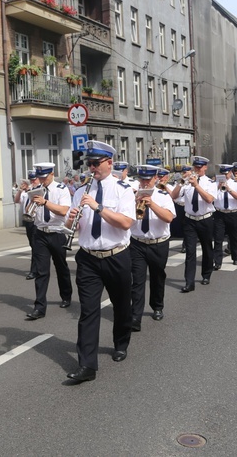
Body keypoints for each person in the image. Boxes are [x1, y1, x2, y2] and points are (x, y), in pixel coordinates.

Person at [64, 140, 135, 382]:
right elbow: (70, 224)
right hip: (88, 258)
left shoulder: (123, 189)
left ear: (109, 163)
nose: (91, 168)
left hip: (117, 256)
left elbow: (126, 223)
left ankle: (121, 342)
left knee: (121, 305)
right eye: (89, 164)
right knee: (88, 311)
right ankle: (87, 366)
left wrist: (98, 207)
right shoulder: (82, 191)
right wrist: (71, 218)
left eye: (96, 164)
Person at [25, 162, 73, 320]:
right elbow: (29, 211)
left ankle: (66, 295)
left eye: (44, 177)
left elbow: (64, 210)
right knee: (41, 271)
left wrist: (45, 202)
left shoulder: (61, 189)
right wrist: (31, 205)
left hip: (57, 232)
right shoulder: (36, 190)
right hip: (40, 233)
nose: (41, 180)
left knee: (61, 267)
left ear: (52, 174)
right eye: (39, 177)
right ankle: (39, 307)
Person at [129, 164, 175, 330]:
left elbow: (169, 218)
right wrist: (133, 203)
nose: (145, 183)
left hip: (158, 243)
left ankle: (157, 306)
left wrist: (152, 204)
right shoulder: (131, 195)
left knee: (157, 277)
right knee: (137, 281)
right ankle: (135, 317)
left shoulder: (163, 195)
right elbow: (126, 219)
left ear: (155, 178)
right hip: (137, 243)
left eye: (148, 179)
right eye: (142, 179)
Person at [172, 157, 217, 293]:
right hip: (189, 220)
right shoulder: (186, 182)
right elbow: (174, 196)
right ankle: (189, 282)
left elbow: (209, 199)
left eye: (199, 167)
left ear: (205, 167)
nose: (196, 170)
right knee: (190, 252)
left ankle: (206, 274)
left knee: (207, 248)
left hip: (205, 219)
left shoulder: (210, 183)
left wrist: (197, 185)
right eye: (195, 167)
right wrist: (181, 182)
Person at [212, 164, 237, 269]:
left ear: (230, 173)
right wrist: (217, 187)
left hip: (232, 213)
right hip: (219, 213)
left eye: (226, 173)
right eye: (222, 173)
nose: (224, 175)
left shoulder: (236, 184)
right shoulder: (214, 184)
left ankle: (235, 257)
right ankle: (217, 261)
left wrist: (229, 189)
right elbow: (210, 198)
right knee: (218, 238)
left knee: (233, 237)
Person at [14, 170, 40, 280]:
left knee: (35, 246)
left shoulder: (41, 190)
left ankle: (34, 270)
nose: (32, 182)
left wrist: (30, 190)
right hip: (28, 221)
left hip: (36, 221)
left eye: (34, 180)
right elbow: (16, 200)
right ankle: (39, 266)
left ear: (38, 179)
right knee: (32, 245)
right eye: (31, 180)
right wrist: (20, 190)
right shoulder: (26, 192)